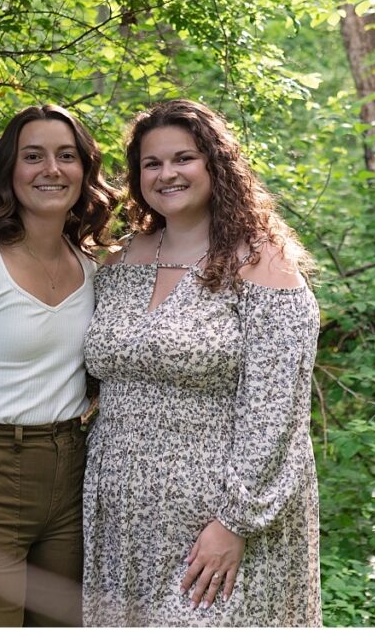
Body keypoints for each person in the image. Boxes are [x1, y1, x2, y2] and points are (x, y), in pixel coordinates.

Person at [80, 99, 322, 626]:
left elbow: (276, 411)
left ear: (215, 164)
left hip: (223, 524)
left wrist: (235, 523)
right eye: (151, 163)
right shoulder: (118, 263)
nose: (167, 173)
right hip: (124, 520)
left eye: (183, 158)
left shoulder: (262, 262)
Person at [0, 105, 119, 626]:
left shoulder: (91, 265)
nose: (50, 169)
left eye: (66, 156)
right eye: (33, 156)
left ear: (85, 171)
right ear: (10, 169)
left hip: (73, 474)